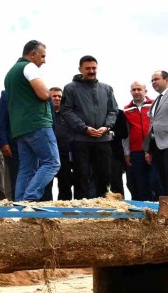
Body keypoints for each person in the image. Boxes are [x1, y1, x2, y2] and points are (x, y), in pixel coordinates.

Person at [4, 40, 59, 201]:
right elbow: (43, 94)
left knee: (26, 169)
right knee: (52, 162)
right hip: (37, 124)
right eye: (42, 56)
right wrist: (48, 92)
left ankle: (20, 204)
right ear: (33, 54)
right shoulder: (29, 67)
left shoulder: (10, 73)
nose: (44, 60)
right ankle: (29, 198)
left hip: (20, 128)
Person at [61, 55, 118, 198]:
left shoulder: (107, 88)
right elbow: (66, 110)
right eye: (88, 68)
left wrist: (107, 126)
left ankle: (104, 205)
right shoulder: (70, 88)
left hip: (103, 139)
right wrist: (84, 128)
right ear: (80, 69)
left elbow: (113, 110)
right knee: (81, 175)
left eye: (94, 68)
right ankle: (82, 207)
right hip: (80, 139)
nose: (91, 71)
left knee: (105, 174)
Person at [123, 81, 160, 201]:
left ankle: (159, 209)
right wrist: (126, 153)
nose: (136, 92)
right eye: (134, 90)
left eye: (139, 89)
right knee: (140, 183)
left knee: (156, 181)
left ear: (145, 91)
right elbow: (126, 134)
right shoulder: (126, 110)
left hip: (155, 150)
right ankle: (145, 211)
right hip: (136, 151)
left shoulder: (155, 104)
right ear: (130, 92)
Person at [50, 87, 76, 200]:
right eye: (54, 96)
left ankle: (65, 212)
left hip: (65, 154)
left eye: (59, 96)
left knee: (65, 184)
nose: (57, 98)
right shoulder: (44, 115)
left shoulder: (68, 115)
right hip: (48, 155)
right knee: (46, 185)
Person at [0, 90, 18, 200]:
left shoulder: (39, 92)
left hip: (35, 142)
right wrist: (4, 142)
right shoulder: (7, 94)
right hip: (14, 144)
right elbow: (1, 121)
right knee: (15, 177)